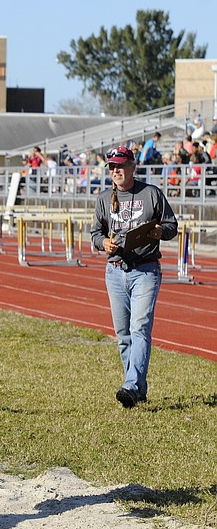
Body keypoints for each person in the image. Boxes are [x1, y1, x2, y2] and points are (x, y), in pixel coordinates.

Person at [89, 146, 178, 409]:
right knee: (123, 333)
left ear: (133, 166)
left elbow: (172, 226)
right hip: (115, 271)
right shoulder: (104, 198)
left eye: (120, 165)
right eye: (112, 167)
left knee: (140, 328)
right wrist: (103, 243)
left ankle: (130, 384)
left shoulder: (151, 194)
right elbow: (95, 233)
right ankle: (137, 388)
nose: (116, 170)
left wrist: (159, 231)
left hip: (146, 270)